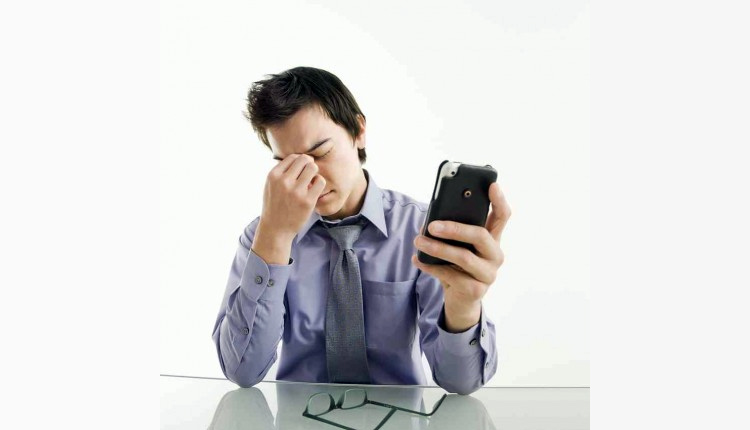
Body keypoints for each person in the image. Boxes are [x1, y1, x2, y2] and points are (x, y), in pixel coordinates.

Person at [211, 66, 511, 395]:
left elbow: (460, 382)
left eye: (321, 153)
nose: (311, 179)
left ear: (359, 131)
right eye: (288, 164)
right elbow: (242, 371)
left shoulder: (419, 231)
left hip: (399, 415)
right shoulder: (264, 237)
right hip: (298, 416)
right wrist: (275, 238)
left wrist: (464, 307)